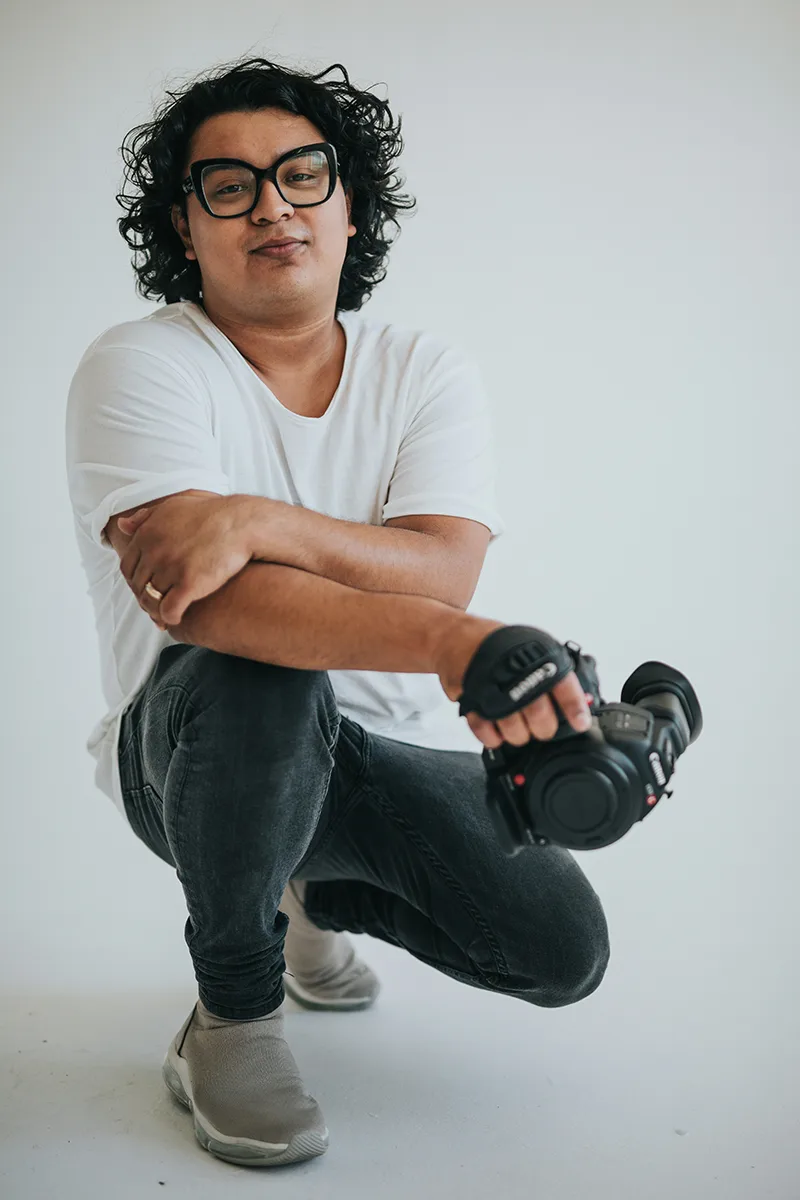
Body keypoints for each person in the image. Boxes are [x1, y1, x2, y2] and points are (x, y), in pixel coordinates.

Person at [65, 55, 610, 1169]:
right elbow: (209, 610)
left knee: (558, 951)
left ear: (348, 203)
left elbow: (441, 570)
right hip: (186, 756)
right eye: (228, 186)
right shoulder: (141, 366)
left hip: (379, 754)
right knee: (259, 662)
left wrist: (256, 518)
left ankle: (304, 891)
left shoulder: (423, 372)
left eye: (300, 174)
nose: (270, 205)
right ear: (187, 225)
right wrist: (445, 640)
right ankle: (231, 1012)